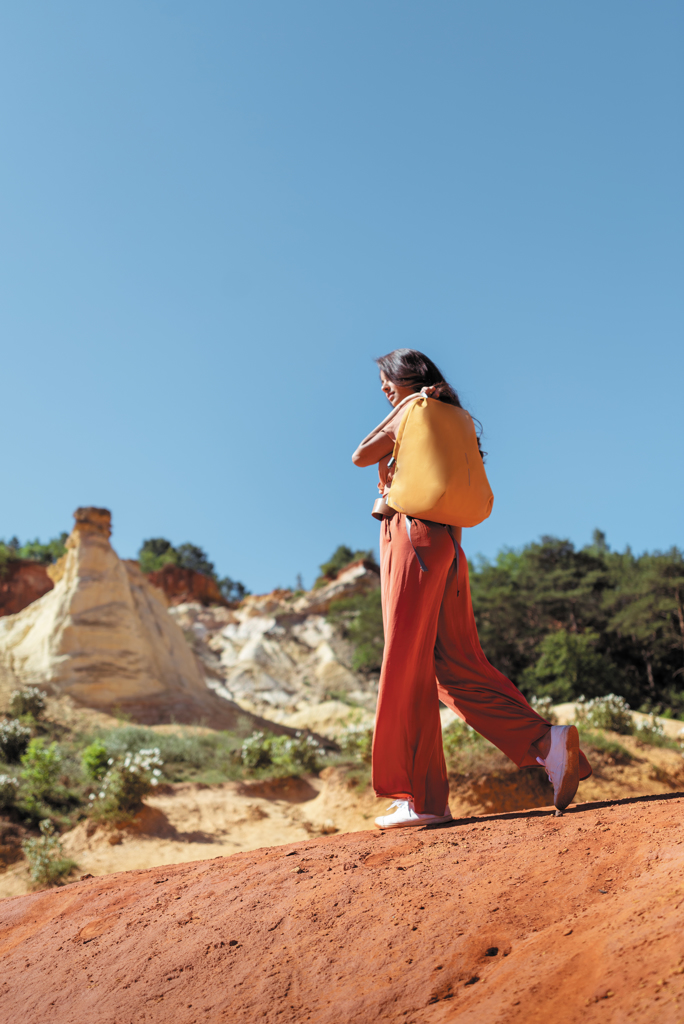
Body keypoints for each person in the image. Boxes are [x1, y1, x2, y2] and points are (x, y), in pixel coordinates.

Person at [352, 348, 592, 829]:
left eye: (386, 381)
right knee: (453, 664)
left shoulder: (410, 413)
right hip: (448, 544)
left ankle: (422, 799)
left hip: (410, 536)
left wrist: (401, 408)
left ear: (407, 378)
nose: (382, 390)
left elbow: (360, 456)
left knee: (408, 663)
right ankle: (547, 745)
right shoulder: (453, 416)